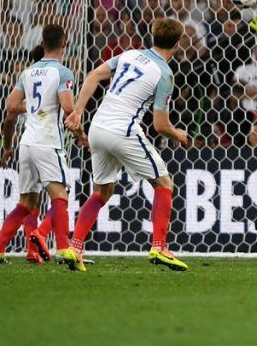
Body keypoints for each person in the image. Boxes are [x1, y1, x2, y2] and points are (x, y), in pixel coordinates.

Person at [64, 18, 191, 272]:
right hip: (123, 130)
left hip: (98, 128)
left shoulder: (129, 55)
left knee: (102, 191)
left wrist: (77, 111)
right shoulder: (164, 74)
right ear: (177, 44)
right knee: (164, 184)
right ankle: (159, 247)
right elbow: (160, 125)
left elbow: (93, 76)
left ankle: (75, 248)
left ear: (153, 37)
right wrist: (177, 133)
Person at [0, 26, 85, 270]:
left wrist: (33, 109)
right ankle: (64, 249)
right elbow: (68, 108)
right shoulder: (63, 72)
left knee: (26, 203)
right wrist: (81, 134)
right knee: (60, 196)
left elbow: (11, 107)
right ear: (65, 44)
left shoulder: (28, 72)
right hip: (48, 142)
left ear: (43, 43)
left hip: (26, 143)